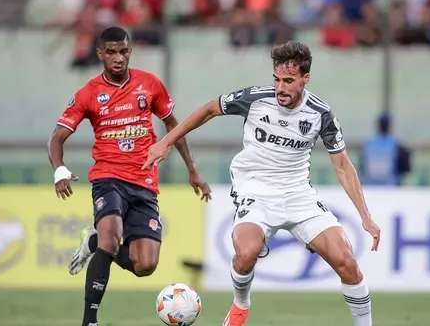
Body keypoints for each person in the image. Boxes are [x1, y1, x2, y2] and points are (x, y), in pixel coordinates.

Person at [143, 40, 381, 326]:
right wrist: (166, 142)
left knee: (347, 262)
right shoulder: (256, 98)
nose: (280, 87)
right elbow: (209, 109)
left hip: (297, 195)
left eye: (289, 81)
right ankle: (241, 305)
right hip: (254, 189)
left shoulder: (321, 114)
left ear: (306, 79)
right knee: (246, 254)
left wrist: (365, 217)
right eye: (277, 79)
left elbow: (343, 166)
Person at [47, 26, 211, 326]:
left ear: (129, 52)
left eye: (123, 51)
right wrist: (60, 169)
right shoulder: (88, 93)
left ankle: (92, 243)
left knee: (145, 265)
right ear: (100, 54)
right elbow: (57, 138)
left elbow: (174, 127)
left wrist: (193, 170)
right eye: (111, 52)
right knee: (112, 240)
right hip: (107, 178)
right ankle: (90, 321)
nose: (118, 58)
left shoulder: (150, 85)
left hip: (145, 182)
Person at [360, 112, 411, 186]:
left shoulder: (369, 144)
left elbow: (362, 166)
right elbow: (406, 168)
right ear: (390, 126)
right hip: (391, 187)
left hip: (370, 186)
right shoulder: (395, 144)